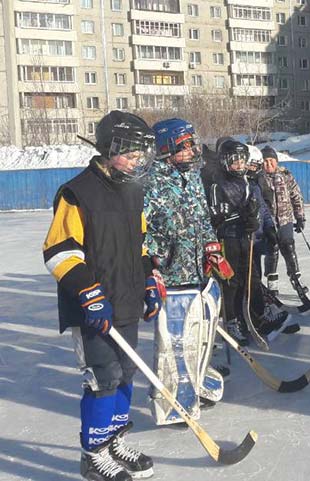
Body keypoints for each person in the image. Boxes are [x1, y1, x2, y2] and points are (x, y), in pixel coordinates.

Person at [43, 110, 158, 481]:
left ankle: (114, 442)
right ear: (109, 149)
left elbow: (138, 248)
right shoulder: (78, 193)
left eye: (142, 153)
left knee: (125, 375)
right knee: (102, 379)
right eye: (131, 152)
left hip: (125, 302)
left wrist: (149, 281)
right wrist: (90, 294)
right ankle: (92, 455)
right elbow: (59, 251)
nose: (137, 160)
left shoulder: (133, 192)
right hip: (92, 309)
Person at [143, 118, 231, 424]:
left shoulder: (192, 176)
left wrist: (211, 246)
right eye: (186, 145)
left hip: (198, 271)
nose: (194, 149)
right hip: (172, 275)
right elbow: (140, 231)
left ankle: (197, 381)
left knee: (202, 334)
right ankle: (172, 400)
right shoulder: (150, 182)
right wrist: (155, 258)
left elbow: (202, 216)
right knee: (175, 343)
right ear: (167, 148)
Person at [207, 139, 262, 345]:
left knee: (250, 278)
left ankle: (249, 316)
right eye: (234, 161)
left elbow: (252, 209)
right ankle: (231, 320)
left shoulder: (246, 183)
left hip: (243, 238)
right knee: (231, 282)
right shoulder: (216, 184)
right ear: (224, 162)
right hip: (227, 238)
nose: (239, 165)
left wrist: (252, 221)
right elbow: (215, 217)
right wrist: (239, 217)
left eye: (242, 161)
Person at [245, 145, 296, 338]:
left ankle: (263, 312)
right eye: (256, 164)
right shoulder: (243, 183)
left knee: (255, 278)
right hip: (244, 239)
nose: (259, 167)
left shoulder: (256, 183)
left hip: (260, 235)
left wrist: (268, 227)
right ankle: (251, 317)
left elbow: (263, 209)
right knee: (251, 279)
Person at [258, 145, 309, 299]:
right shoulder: (259, 178)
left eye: (271, 161)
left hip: (285, 220)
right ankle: (272, 284)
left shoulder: (286, 175)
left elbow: (296, 196)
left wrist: (300, 217)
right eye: (265, 161)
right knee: (271, 251)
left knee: (289, 248)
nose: (269, 164)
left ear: (277, 161)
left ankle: (296, 280)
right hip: (268, 223)